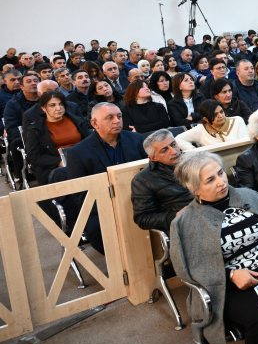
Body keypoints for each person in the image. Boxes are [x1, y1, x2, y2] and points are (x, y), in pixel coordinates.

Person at [169, 151, 258, 344]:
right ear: (194, 189)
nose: (221, 182)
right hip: (225, 289)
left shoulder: (248, 196)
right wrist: (231, 275)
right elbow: (188, 270)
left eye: (220, 173)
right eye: (209, 180)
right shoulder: (185, 222)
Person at [65, 103, 147, 253]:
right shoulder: (78, 152)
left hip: (139, 197)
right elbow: (80, 195)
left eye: (119, 116)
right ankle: (118, 262)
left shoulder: (135, 139)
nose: (117, 121)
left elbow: (148, 172)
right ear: (94, 123)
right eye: (110, 117)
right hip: (102, 205)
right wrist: (112, 207)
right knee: (97, 228)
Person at [130, 129, 193, 233]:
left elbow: (228, 185)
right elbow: (142, 219)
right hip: (184, 226)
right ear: (153, 158)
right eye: (165, 150)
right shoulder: (142, 181)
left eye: (173, 144)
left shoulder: (197, 160)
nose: (174, 151)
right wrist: (175, 215)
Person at [24, 90, 92, 185]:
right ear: (44, 108)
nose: (58, 108)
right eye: (52, 105)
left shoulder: (78, 121)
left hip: (82, 159)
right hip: (55, 166)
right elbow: (34, 156)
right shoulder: (36, 129)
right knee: (68, 174)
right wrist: (59, 162)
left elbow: (90, 142)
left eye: (61, 104)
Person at [174, 99, 250, 149]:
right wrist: (195, 150)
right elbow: (178, 139)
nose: (221, 116)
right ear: (205, 119)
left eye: (221, 112)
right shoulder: (200, 129)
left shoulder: (237, 120)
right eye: (215, 114)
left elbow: (246, 145)